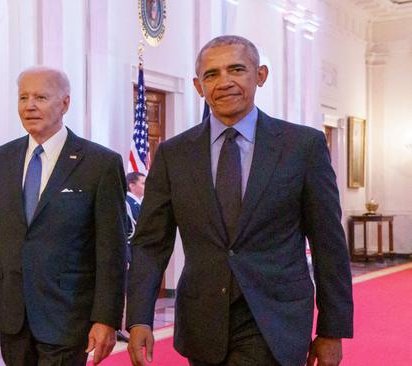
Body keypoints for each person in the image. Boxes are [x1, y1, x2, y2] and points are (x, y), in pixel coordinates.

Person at [126, 35, 353, 366]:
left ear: (260, 75)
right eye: (212, 74)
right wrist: (139, 318)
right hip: (202, 322)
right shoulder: (175, 154)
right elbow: (150, 242)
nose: (224, 82)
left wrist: (332, 330)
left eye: (236, 69)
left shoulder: (302, 147)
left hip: (275, 320)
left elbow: (328, 243)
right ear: (197, 85)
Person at [0, 66, 127, 366]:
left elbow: (111, 250)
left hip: (67, 313)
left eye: (40, 97)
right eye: (23, 97)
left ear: (64, 103)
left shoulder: (100, 164)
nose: (29, 105)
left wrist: (106, 318)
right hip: (13, 313)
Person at [117, 172, 147, 343]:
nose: (145, 186)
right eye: (142, 183)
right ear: (131, 185)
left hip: (136, 253)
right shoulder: (128, 203)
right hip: (129, 252)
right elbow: (128, 231)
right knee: (126, 292)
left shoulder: (136, 204)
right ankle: (121, 328)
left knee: (131, 291)